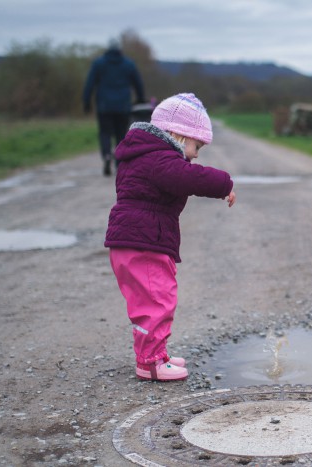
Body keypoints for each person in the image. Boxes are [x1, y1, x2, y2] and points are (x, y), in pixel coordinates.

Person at [105, 93, 236, 382]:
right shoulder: (160, 159)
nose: (196, 154)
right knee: (156, 302)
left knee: (152, 300)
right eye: (196, 145)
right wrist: (224, 184)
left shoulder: (143, 155)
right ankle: (150, 362)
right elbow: (188, 177)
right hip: (144, 243)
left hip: (134, 240)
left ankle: (156, 353)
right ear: (177, 134)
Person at [83, 39, 145, 176]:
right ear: (119, 50)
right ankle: (119, 162)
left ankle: (106, 155)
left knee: (104, 133)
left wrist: (86, 102)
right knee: (121, 134)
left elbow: (90, 84)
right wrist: (140, 99)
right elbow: (138, 84)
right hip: (123, 106)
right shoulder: (128, 64)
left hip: (104, 106)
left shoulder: (99, 63)